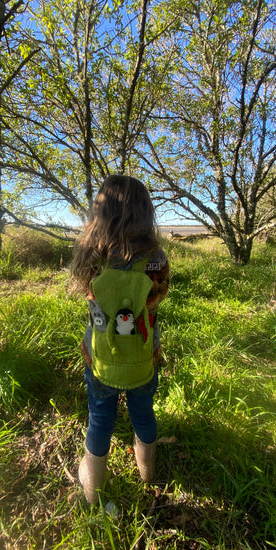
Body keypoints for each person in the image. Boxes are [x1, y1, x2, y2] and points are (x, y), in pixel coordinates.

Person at [70, 175, 170, 504]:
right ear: (145, 212)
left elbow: (89, 295)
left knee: (100, 420)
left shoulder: (91, 254)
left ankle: (92, 492)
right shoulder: (156, 258)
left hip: (100, 356)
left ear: (102, 211)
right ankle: (147, 472)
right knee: (144, 413)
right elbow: (157, 299)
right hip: (143, 355)